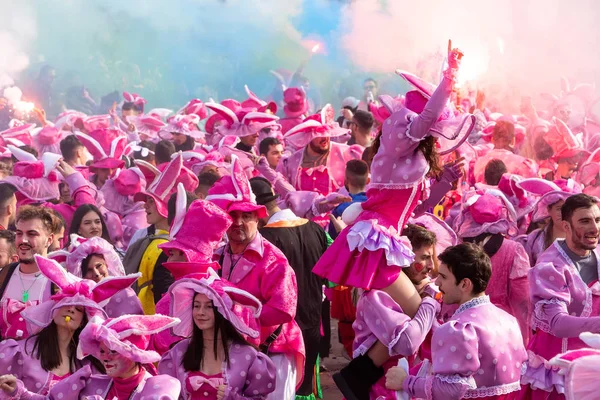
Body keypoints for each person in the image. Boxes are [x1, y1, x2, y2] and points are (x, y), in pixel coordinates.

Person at [313, 43, 468, 399]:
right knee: (425, 317)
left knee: (418, 321)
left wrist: (444, 185)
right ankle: (383, 379)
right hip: (378, 242)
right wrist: (448, 79)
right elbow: (426, 118)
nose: (430, 128)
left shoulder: (407, 160)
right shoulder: (396, 142)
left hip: (388, 239)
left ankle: (357, 377)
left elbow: (414, 210)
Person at [207, 157, 305, 400]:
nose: (238, 222)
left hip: (273, 351)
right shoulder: (217, 255)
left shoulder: (273, 259)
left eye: (246, 216)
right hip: (233, 352)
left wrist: (238, 315)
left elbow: (284, 310)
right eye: (232, 216)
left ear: (258, 218)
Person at [385, 243, 527, 399]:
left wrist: (406, 382)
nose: (437, 282)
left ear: (465, 284)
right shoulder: (509, 322)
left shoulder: (460, 329)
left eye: (444, 277)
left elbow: (451, 390)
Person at [0, 255, 138, 395]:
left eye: (78, 309)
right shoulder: (20, 352)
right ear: (53, 310)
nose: (71, 309)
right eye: (65, 304)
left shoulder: (88, 365)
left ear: (82, 322)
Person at [250, 176, 329, 400]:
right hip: (313, 323)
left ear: (260, 211)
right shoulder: (316, 229)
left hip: (282, 334)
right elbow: (329, 277)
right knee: (306, 388)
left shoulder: (264, 239)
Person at [520, 193, 600, 399]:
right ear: (566, 226)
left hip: (592, 366)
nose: (594, 228)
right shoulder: (551, 266)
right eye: (584, 221)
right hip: (558, 370)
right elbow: (557, 323)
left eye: (597, 220)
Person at [159, 274, 277, 400]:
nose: (200, 312)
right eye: (196, 306)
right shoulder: (178, 352)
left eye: (209, 306)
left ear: (224, 311)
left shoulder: (248, 356)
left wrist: (234, 398)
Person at [9, 314, 183, 399]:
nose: (105, 357)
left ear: (133, 353)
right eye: (101, 351)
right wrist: (20, 392)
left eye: (113, 351)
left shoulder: (159, 388)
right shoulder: (89, 382)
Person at [124, 154, 198, 314]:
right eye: (147, 201)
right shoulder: (146, 239)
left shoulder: (172, 246)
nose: (145, 206)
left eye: (151, 202)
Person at [456, 190, 532, 345]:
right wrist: (524, 338)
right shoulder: (514, 250)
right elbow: (522, 299)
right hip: (501, 328)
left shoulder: (458, 248)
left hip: (464, 325)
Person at [0, 206, 55, 340]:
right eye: (19, 233)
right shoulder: (4, 275)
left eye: (32, 234)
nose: (23, 240)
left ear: (49, 240)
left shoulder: (58, 282)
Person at [66, 235, 143, 318]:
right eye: (89, 270)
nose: (96, 273)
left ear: (106, 264)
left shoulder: (125, 293)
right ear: (81, 274)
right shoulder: (79, 302)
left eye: (99, 266)